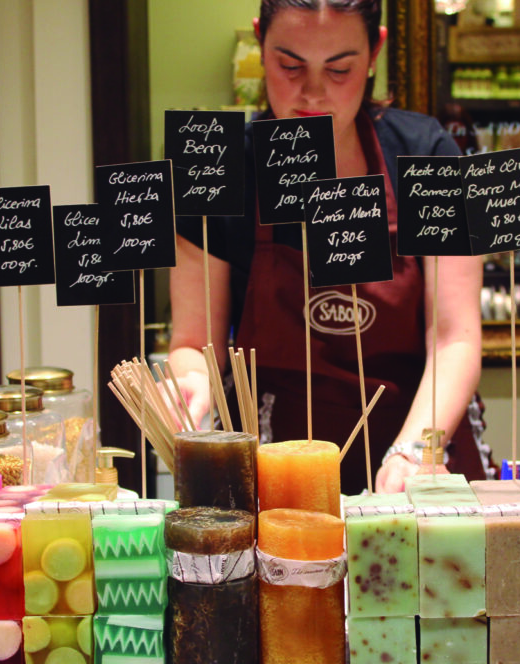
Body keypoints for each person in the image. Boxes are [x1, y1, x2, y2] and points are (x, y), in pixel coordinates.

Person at [167, 0, 485, 494]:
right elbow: (192, 344)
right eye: (289, 65)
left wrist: (411, 453)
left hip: (414, 453)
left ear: (375, 50)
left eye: (340, 68)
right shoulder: (218, 168)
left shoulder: (425, 152)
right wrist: (192, 383)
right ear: (259, 41)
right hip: (271, 475)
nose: (312, 91)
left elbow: (454, 338)